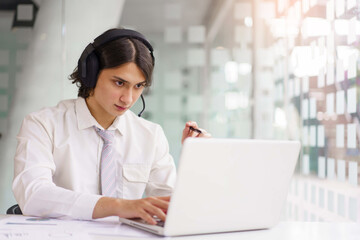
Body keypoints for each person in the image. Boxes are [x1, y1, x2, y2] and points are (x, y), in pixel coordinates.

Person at [12, 28, 210, 225]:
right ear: (91, 73)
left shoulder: (151, 135)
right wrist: (118, 206)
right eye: (119, 83)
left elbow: (172, 207)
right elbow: (33, 194)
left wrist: (197, 163)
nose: (128, 98)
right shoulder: (43, 125)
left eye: (138, 86)